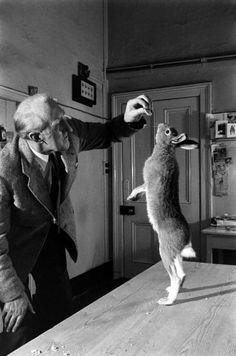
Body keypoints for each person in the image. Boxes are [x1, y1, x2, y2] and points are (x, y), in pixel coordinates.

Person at [0, 93, 152, 355]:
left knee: (59, 307)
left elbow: (105, 132)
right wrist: (12, 293)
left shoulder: (67, 130)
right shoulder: (5, 168)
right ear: (36, 137)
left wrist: (128, 119)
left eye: (64, 117)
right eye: (59, 124)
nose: (68, 126)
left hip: (51, 233)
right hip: (14, 248)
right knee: (17, 323)